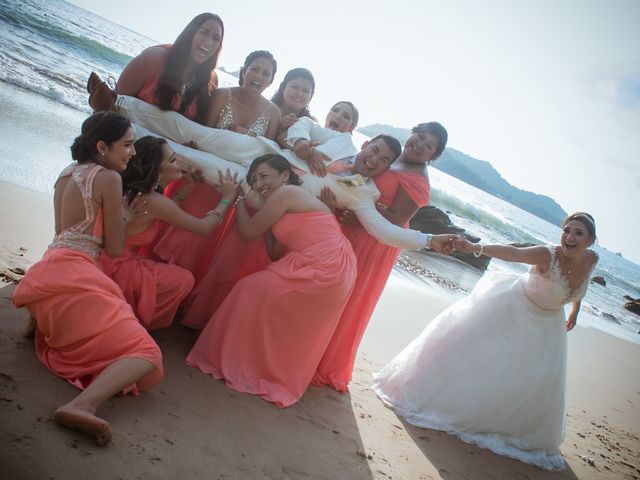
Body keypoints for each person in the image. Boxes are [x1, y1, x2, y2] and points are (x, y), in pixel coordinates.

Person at [372, 213, 600, 470]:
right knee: (484, 362)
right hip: (517, 309)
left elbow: (580, 285)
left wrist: (575, 311)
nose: (569, 237)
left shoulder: (592, 259)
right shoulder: (547, 255)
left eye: (578, 233)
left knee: (530, 380)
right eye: (567, 230)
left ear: (590, 241)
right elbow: (511, 254)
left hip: (548, 326)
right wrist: (473, 248)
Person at [12, 112, 163, 446]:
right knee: (147, 353)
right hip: (78, 273)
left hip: (49, 268)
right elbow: (114, 247)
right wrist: (125, 219)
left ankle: (38, 320)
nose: (133, 152)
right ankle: (83, 405)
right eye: (127, 144)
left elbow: (60, 235)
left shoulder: (66, 174)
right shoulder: (108, 179)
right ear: (101, 146)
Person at [186, 154, 357, 407]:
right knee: (257, 293)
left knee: (249, 289)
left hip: (326, 264)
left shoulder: (286, 193)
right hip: (331, 266)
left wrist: (240, 198)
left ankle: (236, 360)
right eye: (254, 180)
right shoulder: (279, 202)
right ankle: (252, 363)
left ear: (285, 175)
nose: (258, 184)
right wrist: (266, 220)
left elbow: (246, 232)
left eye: (264, 176)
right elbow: (276, 252)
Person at [313, 122, 449, 392]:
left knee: (346, 295)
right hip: (354, 224)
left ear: (433, 156)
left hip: (373, 241)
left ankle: (322, 359)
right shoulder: (394, 157)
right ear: (411, 133)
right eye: (419, 137)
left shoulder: (418, 182)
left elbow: (398, 219)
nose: (419, 145)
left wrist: (360, 216)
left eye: (428, 145)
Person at [99, 136, 238, 330]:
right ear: (156, 169)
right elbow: (203, 227)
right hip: (117, 269)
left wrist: (188, 185)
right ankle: (137, 325)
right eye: (173, 160)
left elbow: (167, 207)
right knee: (183, 279)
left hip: (105, 261)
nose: (179, 162)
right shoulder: (153, 200)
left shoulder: (133, 189)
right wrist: (227, 199)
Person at [116, 13, 224, 123]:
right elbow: (115, 101)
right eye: (204, 32)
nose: (209, 42)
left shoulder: (211, 80)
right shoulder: (154, 58)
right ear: (191, 33)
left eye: (216, 39)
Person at [205, 50, 281, 139]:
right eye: (255, 69)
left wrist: (248, 134)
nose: (259, 76)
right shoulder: (222, 96)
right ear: (244, 71)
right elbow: (203, 133)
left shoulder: (274, 113)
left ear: (271, 82)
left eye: (266, 74)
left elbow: (268, 149)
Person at [270, 67, 316, 147]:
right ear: (283, 88)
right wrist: (278, 126)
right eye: (295, 87)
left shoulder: (311, 124)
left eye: (305, 91)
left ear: (311, 97)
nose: (299, 93)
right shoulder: (265, 109)